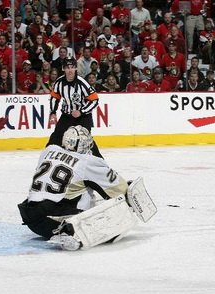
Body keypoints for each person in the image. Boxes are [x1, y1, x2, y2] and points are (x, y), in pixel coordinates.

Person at [18, 126, 156, 251]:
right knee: (112, 204)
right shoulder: (87, 162)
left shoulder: (48, 150)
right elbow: (121, 191)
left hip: (29, 216)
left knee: (79, 188)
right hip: (54, 222)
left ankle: (67, 227)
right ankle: (71, 231)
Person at [48, 57, 103, 158]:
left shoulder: (82, 83)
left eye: (72, 67)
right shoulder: (59, 83)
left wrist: (81, 112)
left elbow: (94, 99)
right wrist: (53, 112)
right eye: (67, 67)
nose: (70, 70)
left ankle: (100, 163)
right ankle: (47, 161)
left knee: (86, 140)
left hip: (83, 117)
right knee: (56, 138)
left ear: (76, 68)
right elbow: (54, 97)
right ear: (63, 69)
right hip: (67, 116)